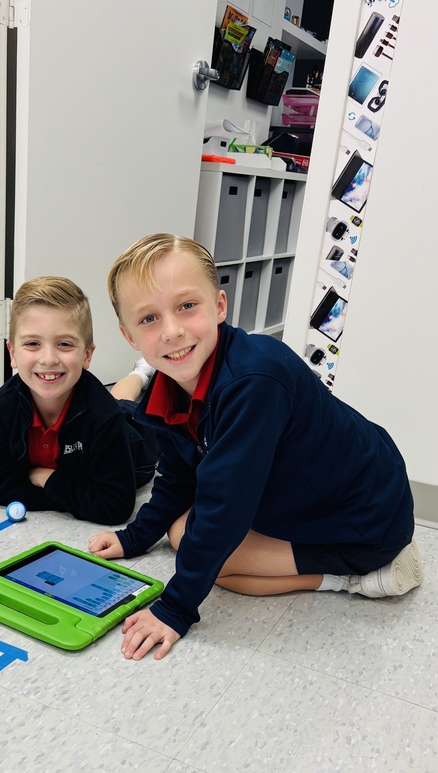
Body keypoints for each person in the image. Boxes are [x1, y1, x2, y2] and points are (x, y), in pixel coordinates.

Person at [88, 233, 422, 661]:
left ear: (220, 307)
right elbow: (178, 476)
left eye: (187, 306)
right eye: (149, 319)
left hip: (366, 517)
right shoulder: (169, 385)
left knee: (206, 556)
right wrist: (135, 538)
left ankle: (358, 577)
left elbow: (226, 506)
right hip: (317, 492)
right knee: (180, 535)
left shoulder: (254, 380)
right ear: (129, 336)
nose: (171, 331)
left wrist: (174, 610)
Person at [0, 276, 158, 525]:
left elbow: (114, 506)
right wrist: (73, 496)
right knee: (119, 398)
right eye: (32, 343)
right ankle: (140, 373)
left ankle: (144, 373)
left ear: (87, 355)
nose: (48, 359)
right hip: (96, 408)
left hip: (137, 437)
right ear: (12, 353)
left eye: (64, 344)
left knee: (142, 412)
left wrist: (46, 479)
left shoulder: (105, 420)